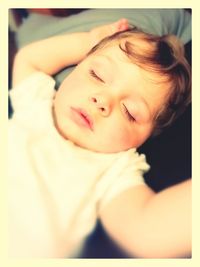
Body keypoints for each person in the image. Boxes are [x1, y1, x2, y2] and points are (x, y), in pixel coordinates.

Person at [9, 18, 191, 258]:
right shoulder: (37, 103)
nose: (102, 100)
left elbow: (145, 229)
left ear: (144, 138)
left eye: (129, 111)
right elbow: (29, 58)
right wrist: (90, 41)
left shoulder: (114, 170)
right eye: (97, 74)